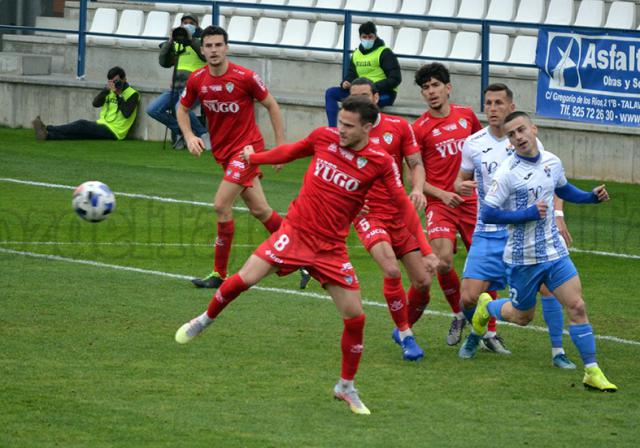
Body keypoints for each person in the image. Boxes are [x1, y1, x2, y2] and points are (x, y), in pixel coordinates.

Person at [175, 96, 424, 415]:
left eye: (348, 125)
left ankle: (345, 387)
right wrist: (257, 159)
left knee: (355, 317)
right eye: (339, 122)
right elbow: (290, 152)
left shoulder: (379, 161)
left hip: (331, 248)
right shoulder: (324, 138)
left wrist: (425, 249)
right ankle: (204, 319)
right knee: (244, 279)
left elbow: (402, 204)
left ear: (367, 127)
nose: (340, 130)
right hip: (295, 233)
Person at [472, 110, 617, 392]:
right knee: (522, 317)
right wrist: (525, 213)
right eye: (512, 134)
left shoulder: (552, 161)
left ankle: (592, 370)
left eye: (521, 130)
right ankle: (486, 307)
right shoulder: (506, 173)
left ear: (534, 129)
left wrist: (590, 197)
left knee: (577, 306)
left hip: (553, 252)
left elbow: (563, 188)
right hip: (522, 258)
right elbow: (487, 213)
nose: (518, 137)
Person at [178, 26, 310, 290]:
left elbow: (272, 105)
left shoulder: (245, 77)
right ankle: (304, 256)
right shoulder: (197, 79)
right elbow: (182, 109)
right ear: (202, 50)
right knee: (261, 210)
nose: (214, 50)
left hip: (247, 151)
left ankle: (219, 273)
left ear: (226, 47)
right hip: (224, 153)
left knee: (220, 205)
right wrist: (190, 135)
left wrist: (280, 148)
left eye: (218, 45)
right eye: (209, 46)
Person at [455, 84, 576, 368]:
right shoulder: (472, 143)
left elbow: (554, 181)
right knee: (469, 297)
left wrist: (557, 216)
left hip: (526, 234)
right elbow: (459, 181)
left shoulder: (529, 143)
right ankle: (478, 330)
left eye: (499, 103)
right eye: (488, 103)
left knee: (548, 289)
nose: (492, 108)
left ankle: (558, 351)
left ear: (511, 107)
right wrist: (462, 187)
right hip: (488, 231)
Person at [348, 78, 438, 361]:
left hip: (399, 214)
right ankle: (407, 336)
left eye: (364, 97)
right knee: (390, 270)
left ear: (376, 98)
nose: (360, 103)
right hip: (370, 215)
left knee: (423, 283)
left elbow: (415, 164)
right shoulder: (346, 133)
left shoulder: (398, 127)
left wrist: (417, 188)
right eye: (354, 98)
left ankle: (402, 327)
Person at [411, 63, 483, 346]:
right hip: (440, 204)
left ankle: (487, 329)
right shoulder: (419, 129)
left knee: (485, 265)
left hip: (472, 201)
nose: (431, 92)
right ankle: (458, 314)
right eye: (426, 88)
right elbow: (414, 177)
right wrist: (441, 195)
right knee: (442, 261)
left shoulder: (467, 118)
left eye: (435, 85)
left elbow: (482, 153)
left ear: (448, 88)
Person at [146, 13, 208, 149]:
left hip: (195, 87)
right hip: (176, 87)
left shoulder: (202, 40)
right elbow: (164, 62)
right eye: (184, 22)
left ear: (197, 25)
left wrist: (191, 40)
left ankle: (203, 135)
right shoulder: (177, 42)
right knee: (153, 109)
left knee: (179, 107)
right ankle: (182, 131)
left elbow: (205, 56)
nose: (187, 25)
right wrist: (170, 41)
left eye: (190, 22)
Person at [324, 21, 401, 127]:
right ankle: (332, 129)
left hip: (383, 94)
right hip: (360, 93)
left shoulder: (384, 53)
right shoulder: (356, 54)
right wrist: (346, 82)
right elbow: (351, 74)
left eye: (370, 37)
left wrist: (372, 88)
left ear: (375, 36)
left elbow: (395, 79)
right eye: (365, 37)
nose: (368, 39)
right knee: (331, 93)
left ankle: (365, 131)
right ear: (360, 37)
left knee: (362, 103)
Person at [31, 66, 139, 141]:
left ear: (124, 79)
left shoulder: (133, 94)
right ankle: (48, 136)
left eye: (116, 81)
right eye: (111, 81)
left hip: (115, 131)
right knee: (79, 134)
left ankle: (49, 128)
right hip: (102, 123)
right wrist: (105, 91)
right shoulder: (109, 90)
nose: (114, 84)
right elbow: (95, 104)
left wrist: (118, 94)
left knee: (81, 124)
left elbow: (126, 113)